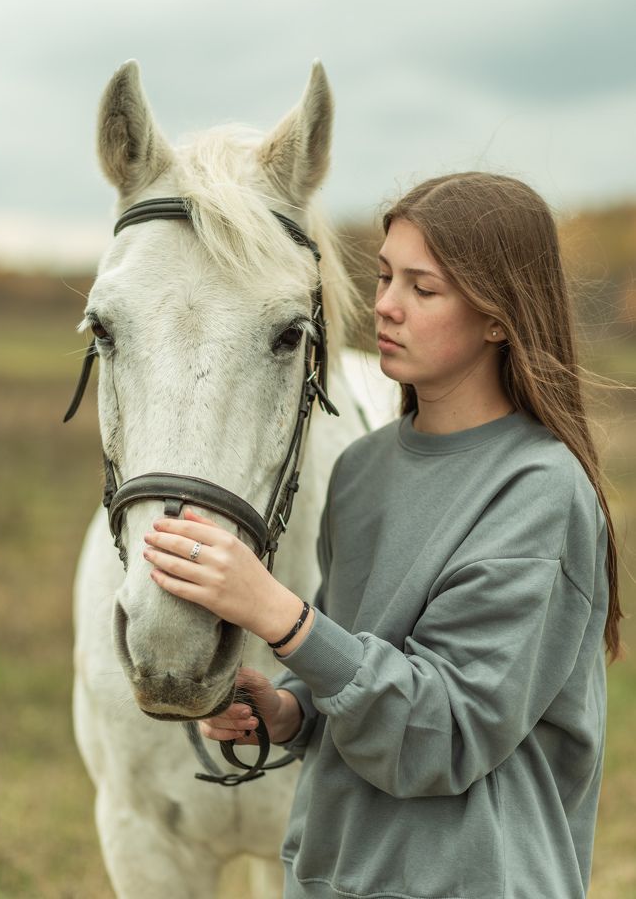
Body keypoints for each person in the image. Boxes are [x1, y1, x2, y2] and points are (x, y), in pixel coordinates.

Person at [142, 172, 622, 899]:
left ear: (499, 317)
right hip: (334, 878)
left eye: (423, 289)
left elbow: (443, 737)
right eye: (385, 276)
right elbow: (368, 657)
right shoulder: (363, 469)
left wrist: (278, 614)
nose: (386, 307)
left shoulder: (538, 492)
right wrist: (292, 709)